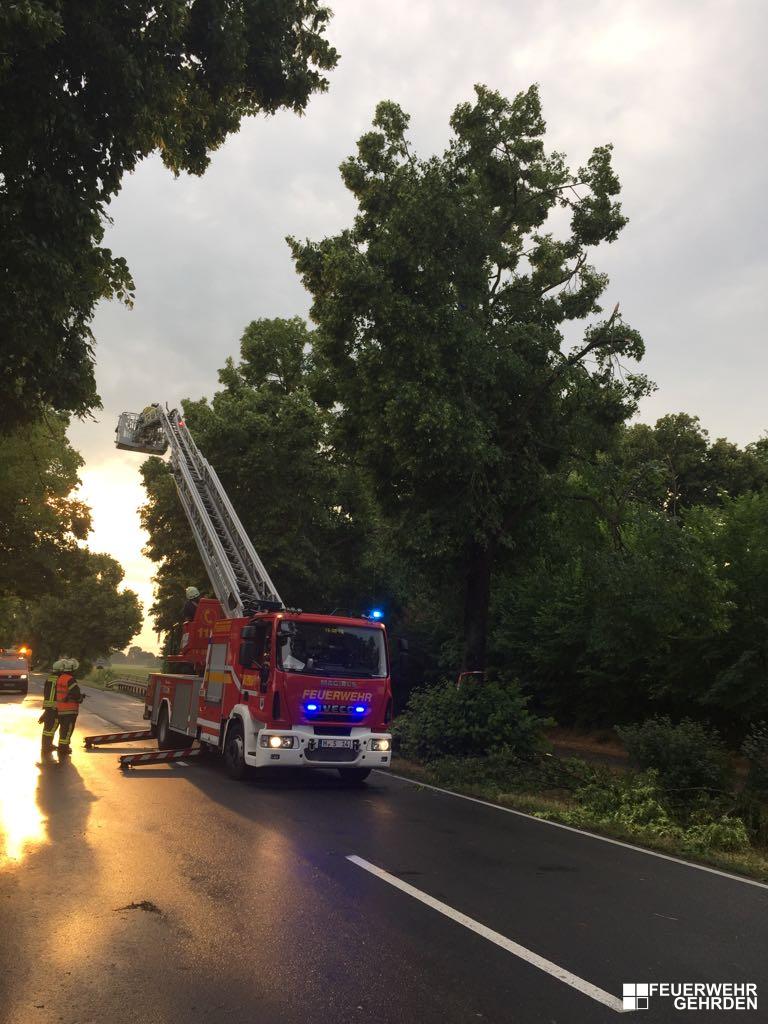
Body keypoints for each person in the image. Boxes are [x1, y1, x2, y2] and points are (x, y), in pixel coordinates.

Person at [40, 658, 85, 759]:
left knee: (48, 729)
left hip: (49, 707)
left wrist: (46, 710)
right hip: (58, 708)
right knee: (64, 729)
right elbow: (68, 694)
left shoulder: (50, 678)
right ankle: (62, 748)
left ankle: (46, 746)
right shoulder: (61, 679)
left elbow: (46, 694)